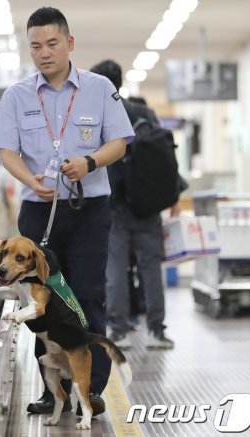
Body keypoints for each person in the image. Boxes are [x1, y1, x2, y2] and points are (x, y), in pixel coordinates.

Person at [0, 7, 134, 417]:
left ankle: (92, 387)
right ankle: (54, 393)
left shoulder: (99, 88)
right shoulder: (17, 95)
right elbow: (6, 151)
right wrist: (31, 182)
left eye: (52, 44)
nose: (44, 53)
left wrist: (89, 162)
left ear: (69, 43)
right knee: (41, 298)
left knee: (86, 294)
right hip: (38, 212)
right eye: (36, 46)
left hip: (88, 209)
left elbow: (120, 142)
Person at [90, 59, 177, 350]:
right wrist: (173, 194)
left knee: (114, 269)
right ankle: (157, 330)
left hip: (114, 204)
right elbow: (164, 158)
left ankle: (119, 329)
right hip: (148, 204)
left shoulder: (100, 114)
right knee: (151, 268)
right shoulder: (144, 113)